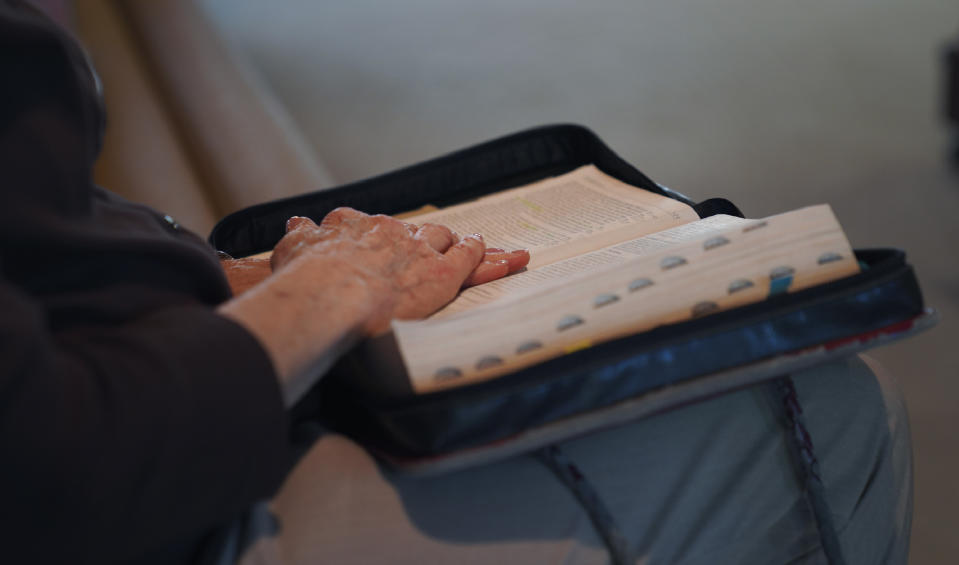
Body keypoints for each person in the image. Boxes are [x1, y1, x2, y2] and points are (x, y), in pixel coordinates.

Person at [1, 2, 912, 564]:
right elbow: (58, 473)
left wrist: (220, 273)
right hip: (172, 512)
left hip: (158, 415)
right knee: (833, 404)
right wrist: (324, 294)